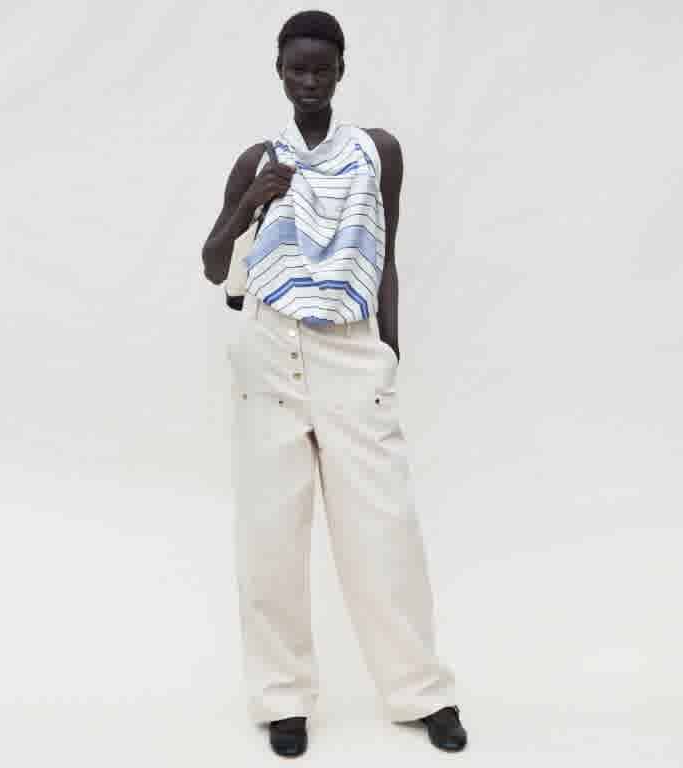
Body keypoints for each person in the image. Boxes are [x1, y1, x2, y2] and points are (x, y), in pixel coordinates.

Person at [202, 10, 468, 758]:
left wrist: (388, 352)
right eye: (297, 69)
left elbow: (386, 255)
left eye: (322, 68)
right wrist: (250, 202)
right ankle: (282, 699)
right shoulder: (258, 158)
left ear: (341, 71)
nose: (310, 81)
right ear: (279, 72)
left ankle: (421, 691)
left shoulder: (377, 151)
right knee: (270, 535)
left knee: (384, 529)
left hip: (349, 348)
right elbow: (214, 264)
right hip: (269, 349)